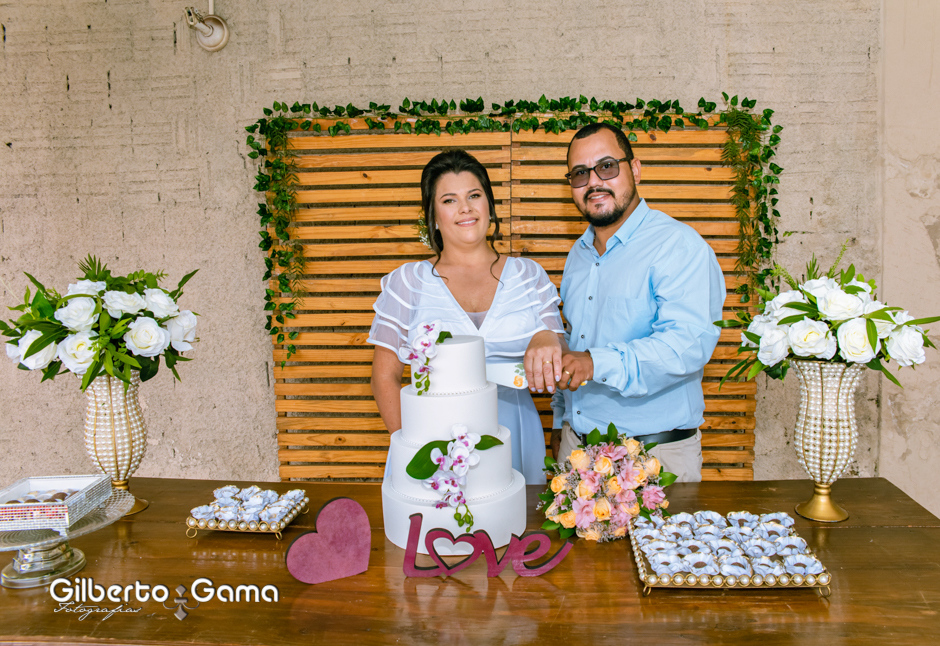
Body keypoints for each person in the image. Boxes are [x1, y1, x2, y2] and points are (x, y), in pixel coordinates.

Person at [526, 122, 725, 483]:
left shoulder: (678, 246)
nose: (594, 182)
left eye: (606, 167)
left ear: (634, 169)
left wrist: (595, 362)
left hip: (654, 458)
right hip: (576, 453)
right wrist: (560, 422)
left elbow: (685, 346)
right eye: (580, 173)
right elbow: (574, 342)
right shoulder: (579, 255)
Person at [368, 150, 565, 484]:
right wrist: (416, 451)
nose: (465, 208)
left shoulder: (529, 275)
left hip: (515, 433)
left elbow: (561, 360)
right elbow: (384, 377)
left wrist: (547, 336)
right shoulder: (408, 282)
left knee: (513, 516)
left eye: (474, 195)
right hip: (431, 437)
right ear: (432, 216)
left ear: (489, 205)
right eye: (449, 200)